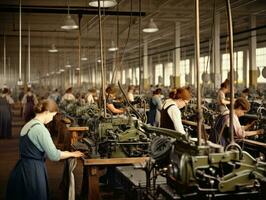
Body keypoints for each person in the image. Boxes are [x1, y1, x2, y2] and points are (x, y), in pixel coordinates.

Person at [6, 99, 84, 200]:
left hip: (22, 168)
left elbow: (42, 150)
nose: (52, 119)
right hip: (34, 170)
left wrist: (65, 152)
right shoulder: (41, 130)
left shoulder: (29, 124)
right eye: (52, 116)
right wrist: (71, 154)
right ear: (46, 112)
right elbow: (54, 156)